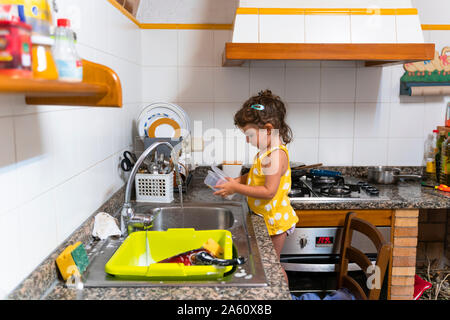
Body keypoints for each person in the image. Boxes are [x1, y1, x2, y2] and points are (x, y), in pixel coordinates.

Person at [214, 90, 298, 284]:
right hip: (264, 218)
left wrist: (235, 189)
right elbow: (254, 176)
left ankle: (284, 297)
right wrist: (235, 181)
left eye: (249, 134)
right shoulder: (265, 151)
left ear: (268, 129)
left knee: (272, 267)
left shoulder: (275, 155)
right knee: (267, 266)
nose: (247, 139)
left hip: (275, 222)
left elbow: (268, 191)